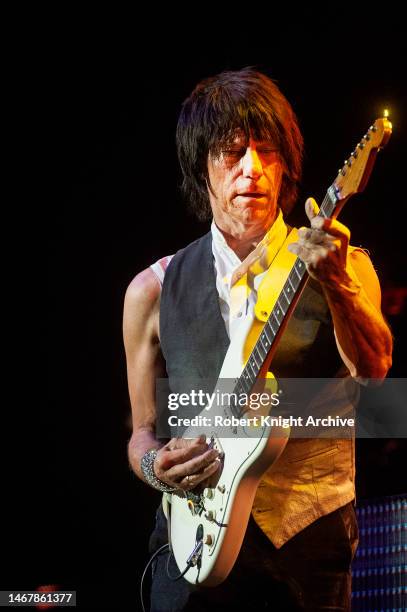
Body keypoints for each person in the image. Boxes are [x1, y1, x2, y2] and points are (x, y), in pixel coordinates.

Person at [123, 68, 392, 611]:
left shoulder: (345, 263)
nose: (251, 169)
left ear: (287, 166)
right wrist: (155, 466)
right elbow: (141, 432)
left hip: (307, 539)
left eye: (266, 151)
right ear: (202, 168)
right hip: (191, 542)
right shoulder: (152, 289)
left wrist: (336, 283)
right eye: (231, 152)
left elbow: (375, 373)